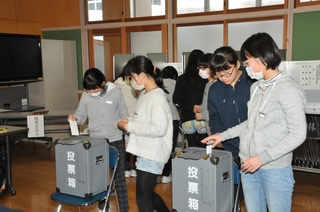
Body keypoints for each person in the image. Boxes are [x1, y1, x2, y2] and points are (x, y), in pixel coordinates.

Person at [202, 32, 307, 212]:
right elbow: (250, 124)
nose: (246, 66)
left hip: (273, 169)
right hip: (248, 165)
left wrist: (261, 158)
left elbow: (298, 134)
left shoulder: (288, 89)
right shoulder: (257, 87)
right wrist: (222, 135)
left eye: (247, 61)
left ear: (261, 59)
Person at [68, 68, 129, 212]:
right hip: (95, 141)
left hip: (115, 139)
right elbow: (81, 114)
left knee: (119, 177)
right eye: (88, 90)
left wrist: (127, 137)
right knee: (99, 176)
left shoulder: (116, 93)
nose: (91, 93)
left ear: (103, 83)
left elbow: (124, 115)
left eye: (94, 89)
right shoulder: (86, 96)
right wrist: (75, 118)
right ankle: (103, 204)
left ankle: (124, 208)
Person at [117, 56, 172, 212]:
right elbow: (141, 120)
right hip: (146, 150)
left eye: (132, 77)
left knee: (143, 197)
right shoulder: (145, 94)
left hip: (153, 152)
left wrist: (131, 126)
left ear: (141, 74)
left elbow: (158, 128)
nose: (132, 81)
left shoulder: (157, 96)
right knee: (147, 194)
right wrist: (128, 121)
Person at [207, 46, 255, 164]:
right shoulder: (214, 89)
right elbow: (214, 116)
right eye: (219, 75)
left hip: (256, 145)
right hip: (230, 146)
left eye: (228, 73)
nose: (224, 78)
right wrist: (220, 136)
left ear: (237, 64)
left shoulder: (253, 83)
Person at [173, 49, 207, 147]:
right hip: (202, 118)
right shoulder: (205, 79)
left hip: (187, 119)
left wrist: (184, 104)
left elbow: (176, 100)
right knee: (204, 150)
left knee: (192, 150)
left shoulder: (181, 79)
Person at [114, 71, 138, 178]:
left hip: (122, 117)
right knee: (136, 142)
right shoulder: (134, 83)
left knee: (124, 143)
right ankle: (135, 168)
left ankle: (126, 168)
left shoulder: (116, 83)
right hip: (134, 116)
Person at [159, 65, 179, 184]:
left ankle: (159, 172)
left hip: (160, 119)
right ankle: (166, 175)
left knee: (161, 146)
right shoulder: (176, 83)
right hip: (173, 118)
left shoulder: (158, 83)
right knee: (170, 147)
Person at [193, 53, 216, 136]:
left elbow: (217, 111)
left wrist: (203, 115)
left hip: (217, 131)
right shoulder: (208, 84)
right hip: (210, 129)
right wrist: (200, 107)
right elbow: (208, 105)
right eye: (200, 68)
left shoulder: (216, 85)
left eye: (204, 68)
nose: (201, 71)